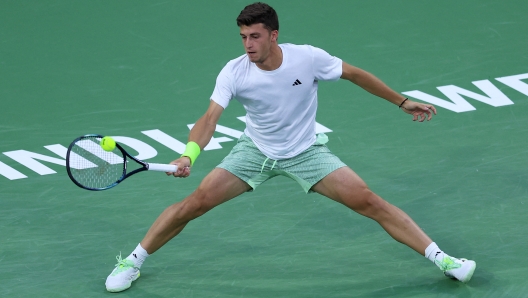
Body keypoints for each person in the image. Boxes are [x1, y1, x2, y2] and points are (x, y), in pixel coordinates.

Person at [105, 2, 476, 292]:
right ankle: (132, 262)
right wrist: (190, 154)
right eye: (242, 37)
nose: (248, 44)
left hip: (306, 153)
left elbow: (355, 74)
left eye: (254, 36)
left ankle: (444, 260)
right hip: (254, 152)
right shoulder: (234, 71)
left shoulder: (307, 57)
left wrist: (401, 101)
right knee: (193, 204)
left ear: (274, 35)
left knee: (370, 202)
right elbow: (209, 119)